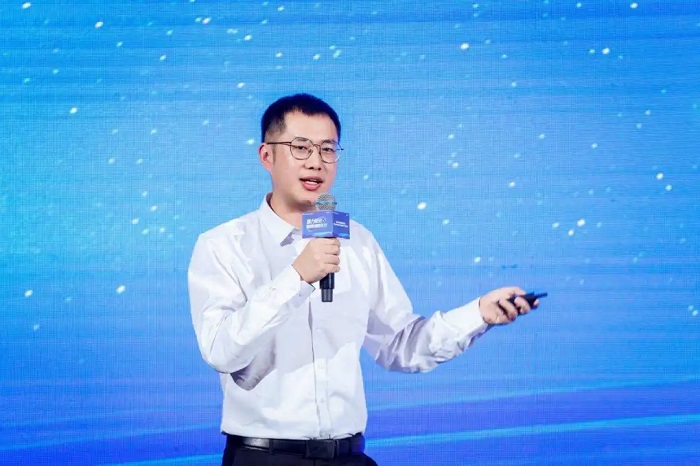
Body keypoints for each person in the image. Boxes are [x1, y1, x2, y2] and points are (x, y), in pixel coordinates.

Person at [187, 93, 540, 466]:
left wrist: (479, 313)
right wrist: (297, 277)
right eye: (300, 148)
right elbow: (221, 351)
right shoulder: (224, 245)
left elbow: (400, 345)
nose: (316, 162)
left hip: (349, 456)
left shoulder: (357, 241)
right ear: (266, 156)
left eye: (327, 149)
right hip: (264, 457)